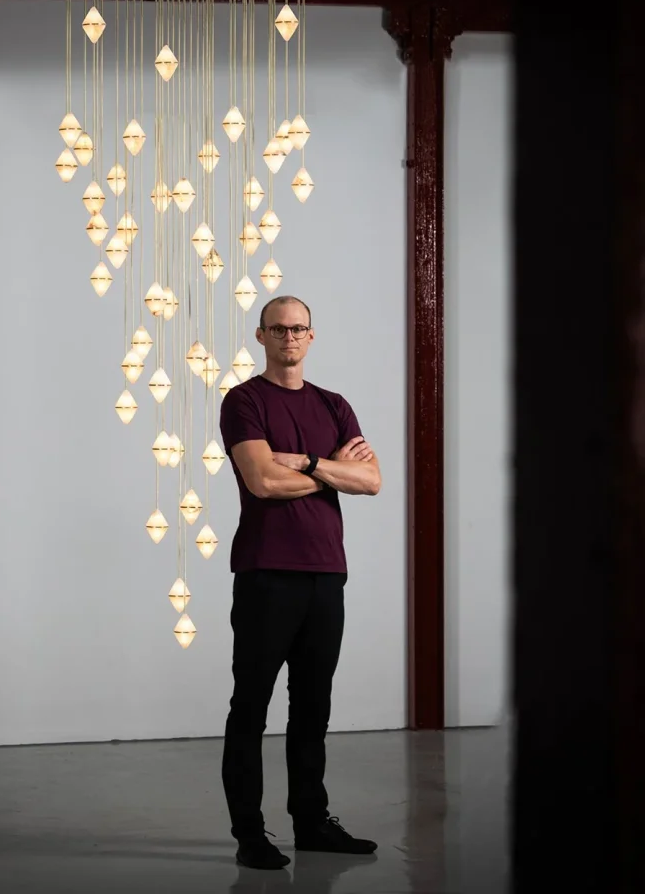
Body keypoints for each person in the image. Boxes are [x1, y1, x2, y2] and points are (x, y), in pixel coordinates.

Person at [217, 294, 382, 871]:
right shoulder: (244, 401)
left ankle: (312, 823)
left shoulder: (334, 405)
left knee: (313, 708)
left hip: (326, 574)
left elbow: (372, 480)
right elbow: (263, 482)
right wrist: (336, 469)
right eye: (278, 328)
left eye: (298, 328)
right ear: (261, 336)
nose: (289, 337)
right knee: (251, 707)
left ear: (312, 336)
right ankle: (250, 834)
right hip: (266, 572)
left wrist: (309, 463)